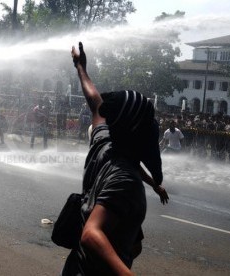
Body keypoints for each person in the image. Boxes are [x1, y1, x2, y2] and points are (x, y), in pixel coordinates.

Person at [61, 42, 168, 275]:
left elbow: (95, 102)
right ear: (137, 132)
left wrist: (81, 67)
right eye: (149, 124)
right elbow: (91, 233)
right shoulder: (125, 181)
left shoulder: (105, 143)